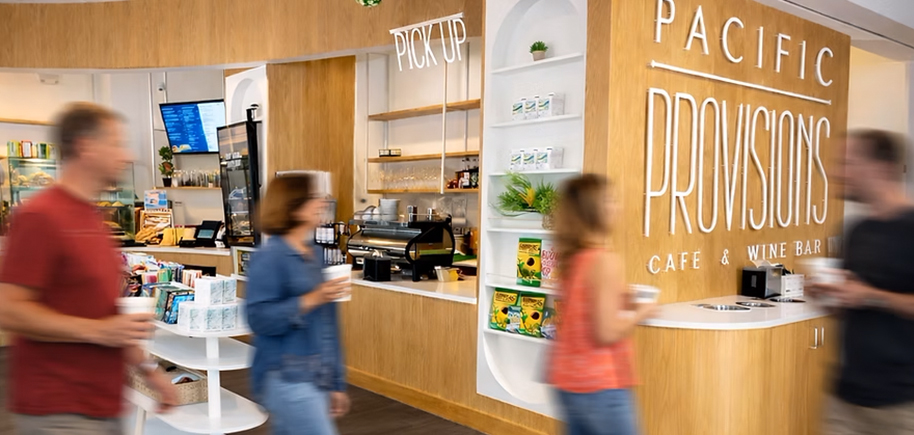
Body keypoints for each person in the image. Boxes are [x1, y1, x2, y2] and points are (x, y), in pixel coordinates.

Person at [0, 102, 177, 435]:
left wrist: (150, 371)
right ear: (86, 147)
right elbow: (9, 310)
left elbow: (107, 314)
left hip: (103, 406)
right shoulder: (40, 216)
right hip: (58, 413)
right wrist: (98, 331)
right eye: (116, 144)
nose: (127, 155)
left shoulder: (94, 218)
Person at [808, 130, 914, 434]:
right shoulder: (857, 230)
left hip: (902, 407)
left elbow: (867, 296)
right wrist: (828, 296)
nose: (837, 172)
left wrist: (868, 295)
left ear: (881, 168)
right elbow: (849, 306)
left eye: (848, 163)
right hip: (846, 400)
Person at [547, 174, 657, 435]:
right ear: (593, 210)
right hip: (601, 385)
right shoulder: (605, 261)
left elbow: (583, 308)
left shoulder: (573, 259)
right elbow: (605, 333)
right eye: (610, 200)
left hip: (567, 381)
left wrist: (621, 299)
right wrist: (642, 312)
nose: (618, 207)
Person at [245, 174, 351, 435]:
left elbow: (328, 324)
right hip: (285, 376)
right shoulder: (270, 257)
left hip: (315, 375)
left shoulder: (315, 254)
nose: (322, 202)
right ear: (294, 207)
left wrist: (335, 382)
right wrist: (312, 299)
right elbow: (259, 318)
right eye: (314, 197)